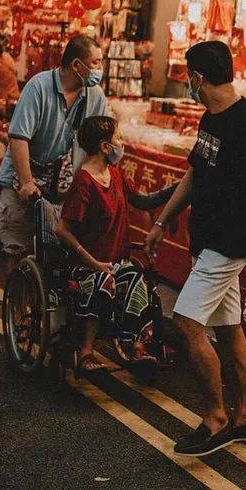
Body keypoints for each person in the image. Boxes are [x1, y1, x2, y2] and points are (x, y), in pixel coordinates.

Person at [145, 41, 246, 457]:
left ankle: (215, 417)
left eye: (189, 75)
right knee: (228, 327)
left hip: (228, 246)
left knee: (187, 322)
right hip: (205, 240)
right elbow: (194, 175)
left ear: (199, 77)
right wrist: (161, 222)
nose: (188, 82)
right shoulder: (211, 119)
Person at [55, 115, 173, 373]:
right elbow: (62, 229)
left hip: (116, 264)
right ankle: (86, 351)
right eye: (118, 138)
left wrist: (178, 189)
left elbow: (143, 201)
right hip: (86, 267)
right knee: (105, 281)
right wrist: (94, 263)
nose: (123, 144)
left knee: (135, 278)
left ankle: (135, 345)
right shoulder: (84, 182)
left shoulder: (116, 175)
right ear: (105, 146)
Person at [0, 35, 106, 269]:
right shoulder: (39, 86)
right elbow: (18, 137)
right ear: (77, 65)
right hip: (21, 180)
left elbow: (102, 140)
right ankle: (17, 300)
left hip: (60, 186)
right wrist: (26, 182)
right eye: (96, 63)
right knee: (18, 252)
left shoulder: (95, 96)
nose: (100, 69)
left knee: (55, 255)